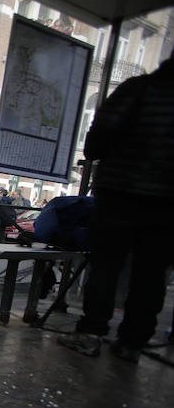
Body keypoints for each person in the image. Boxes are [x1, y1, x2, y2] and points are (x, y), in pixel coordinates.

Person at [57, 56, 174, 363]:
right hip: (167, 205)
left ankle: (91, 333)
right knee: (151, 274)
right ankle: (132, 343)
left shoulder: (137, 90)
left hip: (120, 193)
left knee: (106, 266)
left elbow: (95, 144)